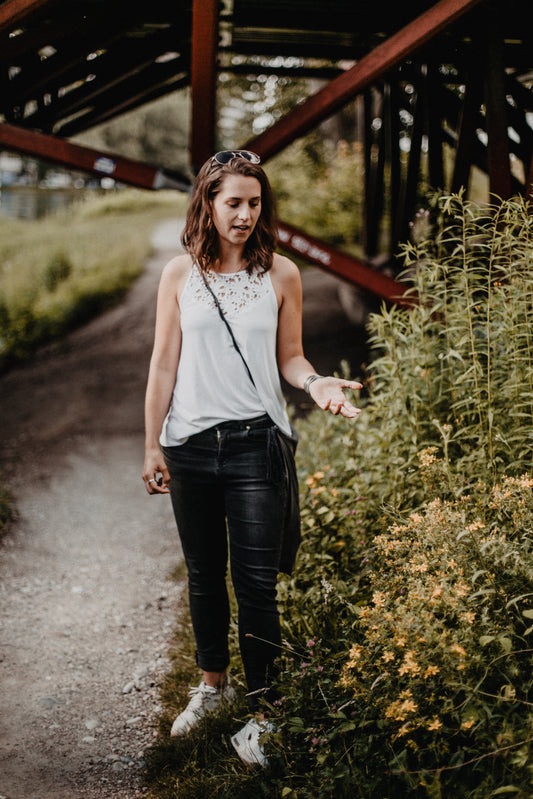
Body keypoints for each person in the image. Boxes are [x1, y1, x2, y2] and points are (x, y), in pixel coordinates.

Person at [142, 150, 362, 766]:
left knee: (257, 584)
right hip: (189, 447)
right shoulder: (179, 275)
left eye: (254, 202)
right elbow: (163, 363)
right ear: (208, 204)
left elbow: (290, 357)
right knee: (206, 577)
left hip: (255, 446)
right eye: (232, 202)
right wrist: (152, 441)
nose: (244, 214)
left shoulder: (282, 274)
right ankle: (213, 688)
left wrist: (317, 383)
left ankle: (264, 714)